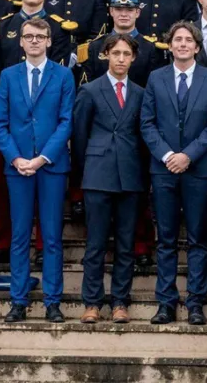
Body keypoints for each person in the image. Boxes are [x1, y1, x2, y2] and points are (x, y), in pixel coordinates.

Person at [140, 21, 207, 326]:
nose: (183, 44)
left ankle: (195, 302)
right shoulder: (155, 78)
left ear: (197, 47)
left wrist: (188, 155)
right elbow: (147, 123)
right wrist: (167, 155)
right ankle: (166, 302)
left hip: (198, 170)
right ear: (170, 45)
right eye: (177, 40)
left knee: (198, 238)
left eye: (188, 40)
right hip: (163, 170)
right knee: (165, 239)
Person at [0, 17, 75, 323]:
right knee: (19, 235)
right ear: (21, 41)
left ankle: (53, 301)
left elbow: (66, 121)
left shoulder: (64, 75)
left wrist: (42, 159)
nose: (35, 41)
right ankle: (18, 300)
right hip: (18, 167)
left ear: (49, 41)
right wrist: (15, 158)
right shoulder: (8, 76)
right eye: (29, 36)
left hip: (50, 167)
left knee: (51, 236)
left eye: (41, 36)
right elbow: (0, 123)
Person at [71, 33, 145, 324]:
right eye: (116, 54)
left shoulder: (140, 93)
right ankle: (92, 302)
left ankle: (120, 302)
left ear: (133, 58)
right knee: (96, 244)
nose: (121, 59)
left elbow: (142, 136)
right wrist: (83, 172)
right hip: (98, 174)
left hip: (129, 175)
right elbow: (79, 136)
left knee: (126, 244)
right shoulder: (90, 90)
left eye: (127, 54)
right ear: (106, 55)